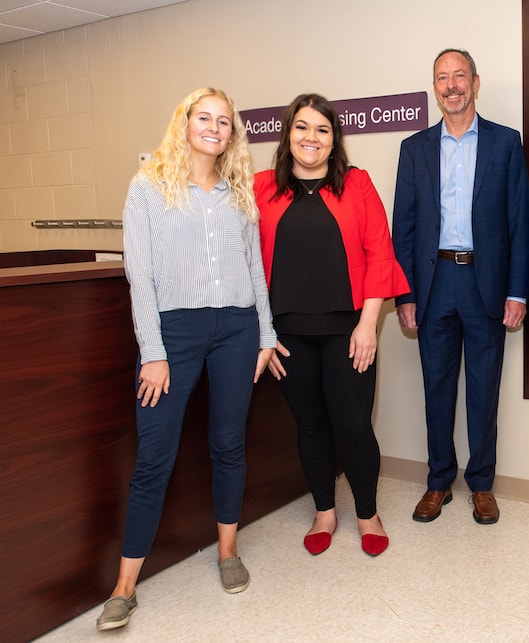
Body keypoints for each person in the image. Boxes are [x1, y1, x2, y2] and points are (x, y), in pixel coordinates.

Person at [98, 88, 276, 631]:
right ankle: (124, 586)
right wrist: (153, 352)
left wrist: (265, 334)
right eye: (205, 117)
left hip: (238, 329)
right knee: (154, 457)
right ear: (185, 122)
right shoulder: (148, 187)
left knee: (228, 444)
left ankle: (227, 552)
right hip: (174, 333)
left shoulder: (237, 190)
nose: (214, 128)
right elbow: (141, 277)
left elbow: (254, 269)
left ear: (231, 135)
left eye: (224, 122)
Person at [254, 94, 409, 558]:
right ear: (288, 135)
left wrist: (368, 327)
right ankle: (324, 510)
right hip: (288, 332)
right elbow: (243, 259)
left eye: (322, 130)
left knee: (353, 425)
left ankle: (367, 513)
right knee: (310, 425)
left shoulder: (356, 184)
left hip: (348, 330)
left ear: (333, 139)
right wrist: (264, 331)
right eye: (302, 127)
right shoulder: (262, 187)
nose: (311, 138)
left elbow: (380, 254)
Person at [392, 48, 529, 525]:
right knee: (436, 387)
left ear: (476, 81)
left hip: (485, 282)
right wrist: (405, 294)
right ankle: (438, 482)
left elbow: (519, 223)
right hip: (433, 284)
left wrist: (518, 291)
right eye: (441, 78)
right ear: (435, 88)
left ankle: (482, 485)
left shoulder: (505, 143)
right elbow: (404, 229)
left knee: (483, 389)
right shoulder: (414, 149)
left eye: (459, 76)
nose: (451, 85)